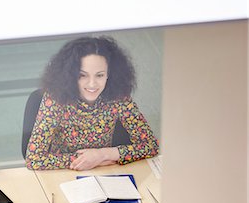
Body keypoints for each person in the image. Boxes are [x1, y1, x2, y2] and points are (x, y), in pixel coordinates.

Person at [25, 36, 159, 170]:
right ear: (71, 75)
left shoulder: (119, 97)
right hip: (64, 172)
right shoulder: (55, 98)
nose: (92, 84)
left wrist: (103, 155)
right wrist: (88, 160)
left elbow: (150, 145)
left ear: (109, 74)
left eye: (99, 75)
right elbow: (34, 159)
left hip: (105, 171)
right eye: (83, 75)